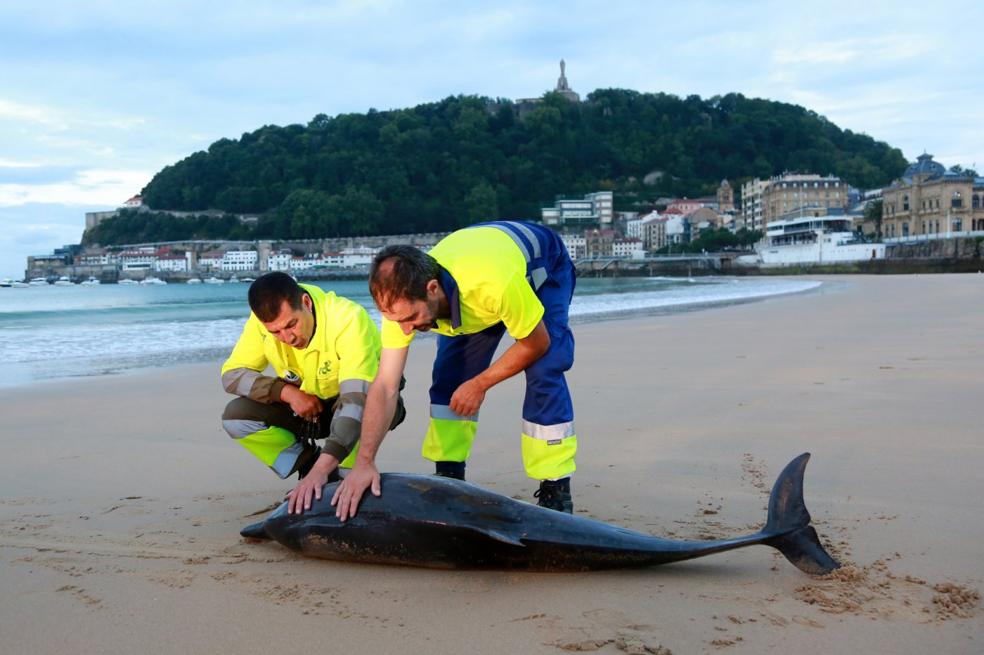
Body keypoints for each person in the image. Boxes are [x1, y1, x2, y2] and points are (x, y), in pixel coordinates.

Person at [332, 220, 578, 520]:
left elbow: (536, 343)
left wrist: (480, 383)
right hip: (476, 270)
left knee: (544, 369)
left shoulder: (493, 285)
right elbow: (385, 386)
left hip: (542, 267)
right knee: (449, 379)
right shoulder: (399, 305)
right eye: (397, 321)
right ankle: (449, 477)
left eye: (410, 318)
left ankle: (555, 486)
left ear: (432, 288)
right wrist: (365, 462)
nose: (405, 329)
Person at [220, 272, 404, 515]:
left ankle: (337, 472)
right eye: (276, 332)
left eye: (291, 324)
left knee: (361, 419)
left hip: (359, 406)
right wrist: (286, 392)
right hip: (308, 410)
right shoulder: (262, 323)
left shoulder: (348, 318)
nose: (287, 338)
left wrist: (323, 470)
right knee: (236, 417)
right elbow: (232, 375)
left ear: (306, 303)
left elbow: (356, 402)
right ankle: (309, 465)